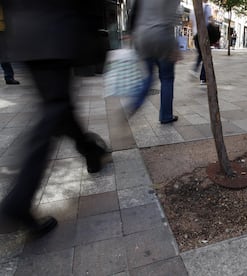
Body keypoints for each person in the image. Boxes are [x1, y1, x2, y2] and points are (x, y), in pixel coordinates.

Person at [0, 1, 110, 238]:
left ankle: (92, 152)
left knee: (59, 107)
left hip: (23, 32)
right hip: (55, 32)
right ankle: (17, 204)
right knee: (53, 111)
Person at [130, 0, 181, 124]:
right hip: (162, 38)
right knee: (167, 79)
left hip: (143, 38)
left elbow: (134, 13)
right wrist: (174, 46)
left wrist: (131, 34)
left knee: (148, 78)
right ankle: (166, 115)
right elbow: (170, 19)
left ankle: (133, 106)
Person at [189, 0, 212, 85]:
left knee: (201, 55)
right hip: (204, 35)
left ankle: (197, 71)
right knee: (205, 56)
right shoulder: (207, 7)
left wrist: (192, 36)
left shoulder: (192, 10)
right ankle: (202, 76)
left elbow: (191, 24)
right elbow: (210, 20)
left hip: (195, 35)